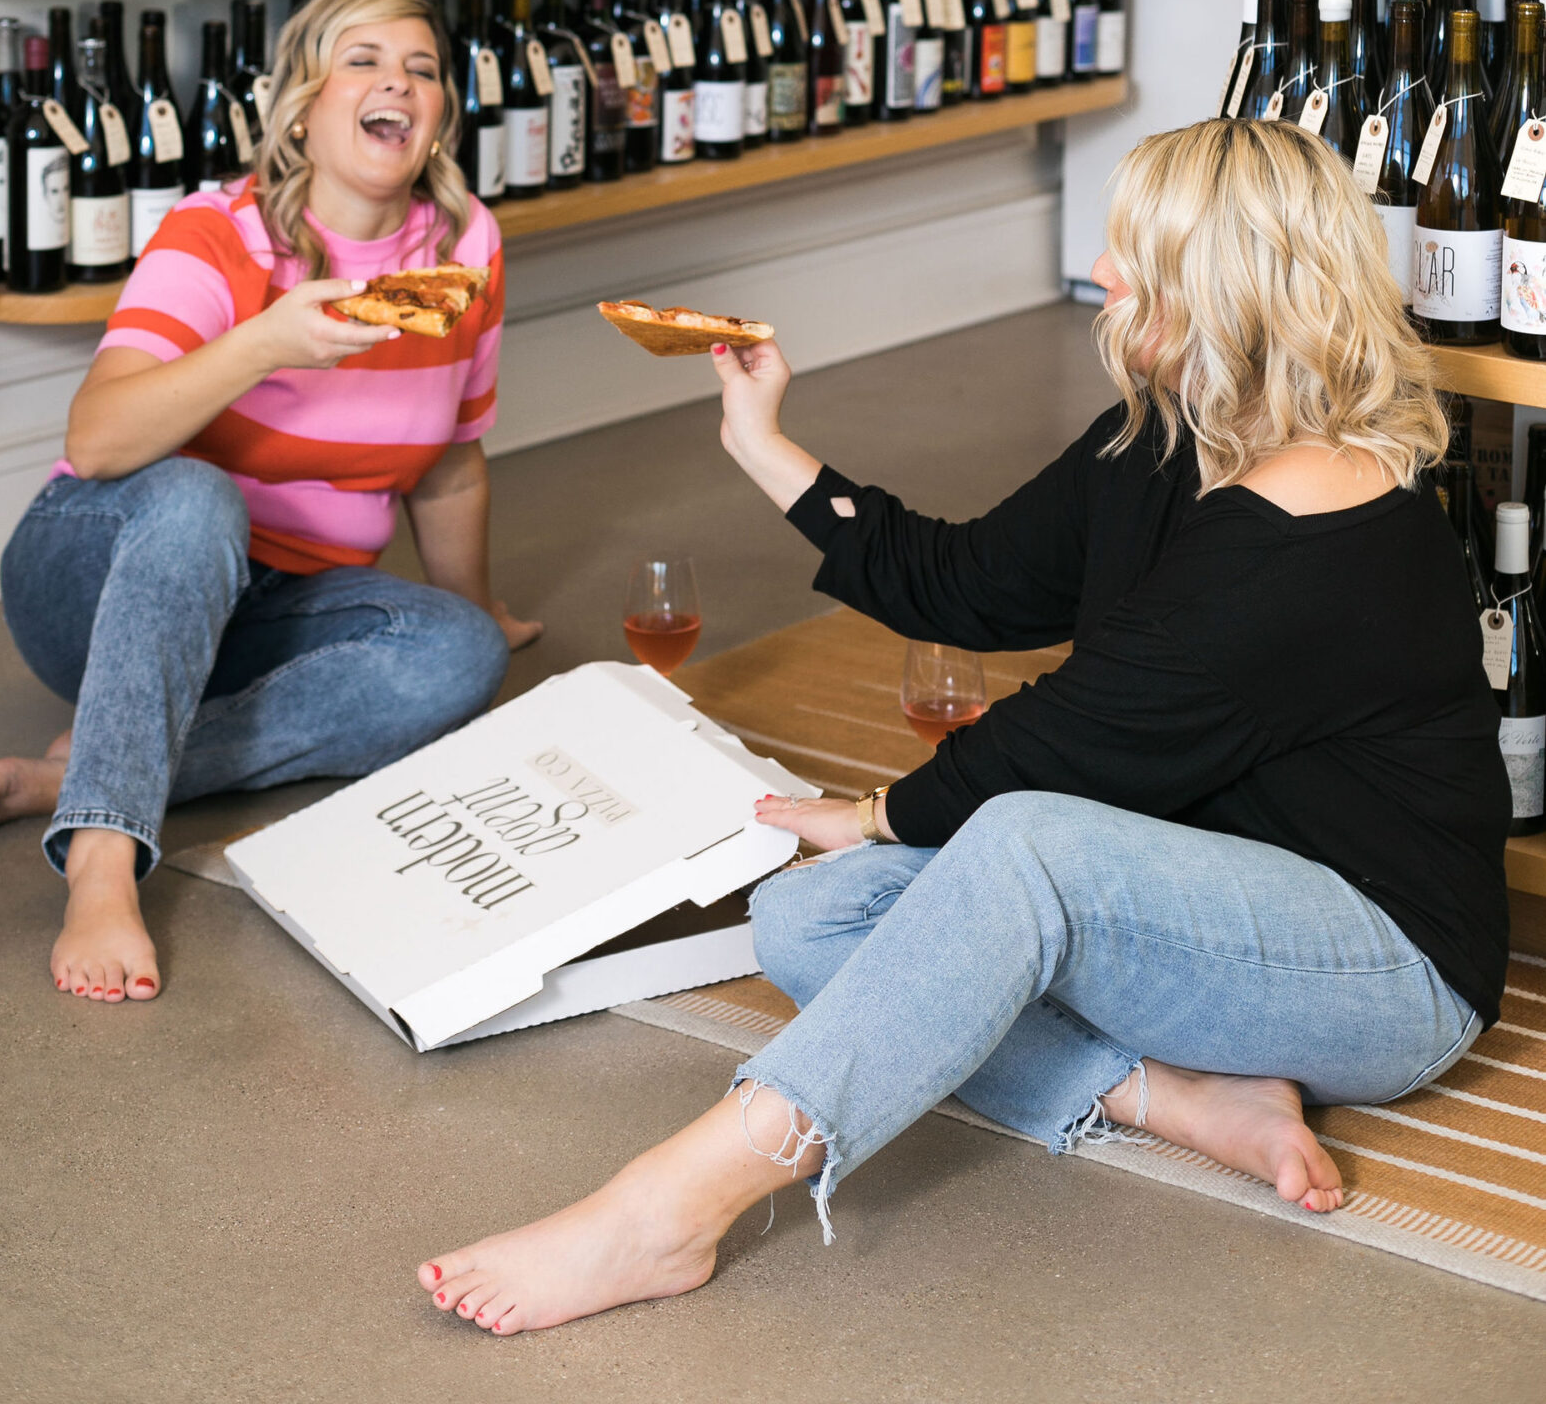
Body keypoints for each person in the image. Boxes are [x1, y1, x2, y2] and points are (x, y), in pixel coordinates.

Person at [416, 117, 1511, 1336]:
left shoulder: (1322, 539)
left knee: (1020, 841)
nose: (1104, 280)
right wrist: (763, 442)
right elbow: (966, 584)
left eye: (1136, 264)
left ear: (1231, 295)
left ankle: (669, 1207)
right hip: (1201, 903)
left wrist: (874, 812)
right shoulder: (1166, 436)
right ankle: (1170, 1095)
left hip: (1381, 967)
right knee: (804, 914)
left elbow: (1055, 749)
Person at [0, 0, 537, 1007]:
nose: (396, 82)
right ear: (306, 102)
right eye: (362, 60)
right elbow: (96, 442)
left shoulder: (465, 248)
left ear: (442, 110)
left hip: (275, 608)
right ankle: (101, 860)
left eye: (421, 67)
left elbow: (450, 456)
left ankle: (96, 765)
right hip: (103, 573)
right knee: (198, 497)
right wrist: (269, 339)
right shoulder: (218, 232)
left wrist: (476, 608)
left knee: (460, 657)